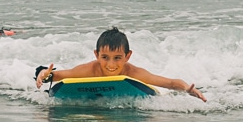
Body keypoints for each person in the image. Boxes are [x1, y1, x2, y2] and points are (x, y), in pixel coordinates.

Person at [35, 26, 206, 101]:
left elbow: (169, 83)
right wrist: (43, 74)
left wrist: (187, 89)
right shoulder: (89, 70)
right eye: (105, 57)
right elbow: (56, 76)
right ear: (96, 55)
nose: (111, 64)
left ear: (127, 56)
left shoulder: (132, 74)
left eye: (117, 58)